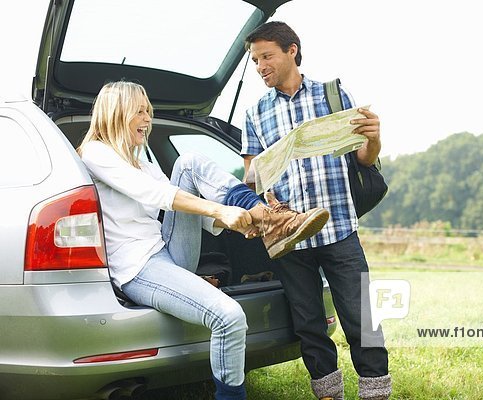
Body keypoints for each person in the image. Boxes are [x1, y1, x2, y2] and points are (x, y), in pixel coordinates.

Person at [77, 80, 329, 400]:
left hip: (164, 250)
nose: (147, 119)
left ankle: (266, 218)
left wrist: (236, 223)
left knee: (190, 162)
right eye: (139, 111)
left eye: (149, 111)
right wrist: (221, 211)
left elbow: (179, 205)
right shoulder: (96, 153)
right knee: (229, 317)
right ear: (116, 113)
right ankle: (270, 220)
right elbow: (160, 195)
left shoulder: (142, 162)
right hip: (137, 267)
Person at [241, 22, 392, 400]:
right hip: (290, 236)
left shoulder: (333, 95)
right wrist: (267, 198)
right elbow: (251, 175)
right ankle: (328, 393)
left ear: (292, 51)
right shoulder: (255, 113)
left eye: (267, 56)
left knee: (363, 320)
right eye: (255, 59)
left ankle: (375, 392)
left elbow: (364, 158)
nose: (260, 66)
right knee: (308, 323)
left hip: (339, 227)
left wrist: (373, 138)